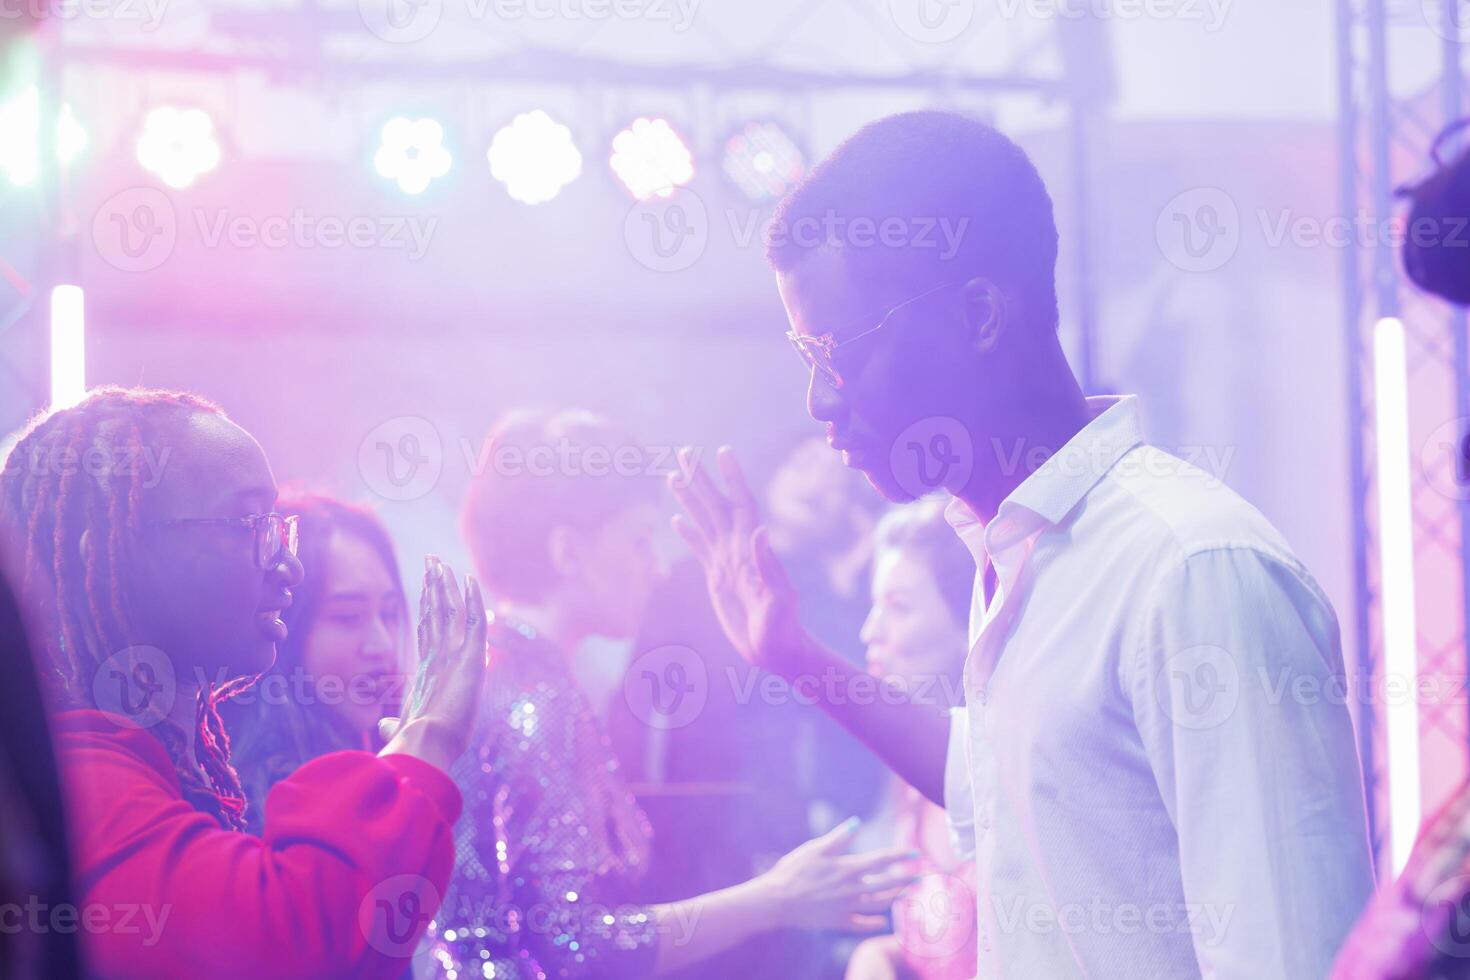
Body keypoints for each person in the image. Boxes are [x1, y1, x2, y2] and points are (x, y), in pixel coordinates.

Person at [668, 109, 1376, 978]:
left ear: (979, 316)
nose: (818, 400)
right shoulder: (1018, 549)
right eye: (804, 354)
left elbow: (1292, 953)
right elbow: (1008, 788)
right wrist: (791, 652)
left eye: (836, 350)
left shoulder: (1191, 569)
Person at [0, 386, 486, 979]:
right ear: (113, 553)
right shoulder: (82, 778)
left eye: (278, 528)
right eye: (249, 524)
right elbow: (282, 945)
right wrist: (427, 737)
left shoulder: (171, 759)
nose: (288, 566)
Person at [423, 409, 915, 979]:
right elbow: (578, 946)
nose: (656, 570)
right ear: (568, 553)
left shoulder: (514, 672)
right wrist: (777, 897)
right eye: (637, 542)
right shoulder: (531, 697)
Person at [845, 498, 976, 980]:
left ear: (973, 620)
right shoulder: (908, 782)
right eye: (873, 604)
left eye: (897, 607)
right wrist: (880, 955)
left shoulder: (1014, 777)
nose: (870, 630)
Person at [227, 492, 408, 834]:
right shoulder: (250, 807)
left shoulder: (378, 755)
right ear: (285, 626)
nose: (382, 645)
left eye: (389, 613)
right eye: (348, 617)